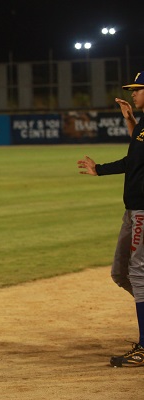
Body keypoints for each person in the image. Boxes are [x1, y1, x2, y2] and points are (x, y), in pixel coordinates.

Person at [77, 71, 144, 368]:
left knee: (139, 274)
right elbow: (135, 159)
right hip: (132, 210)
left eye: (138, 89)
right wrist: (100, 169)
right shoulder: (143, 124)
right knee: (121, 273)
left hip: (143, 209)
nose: (133, 93)